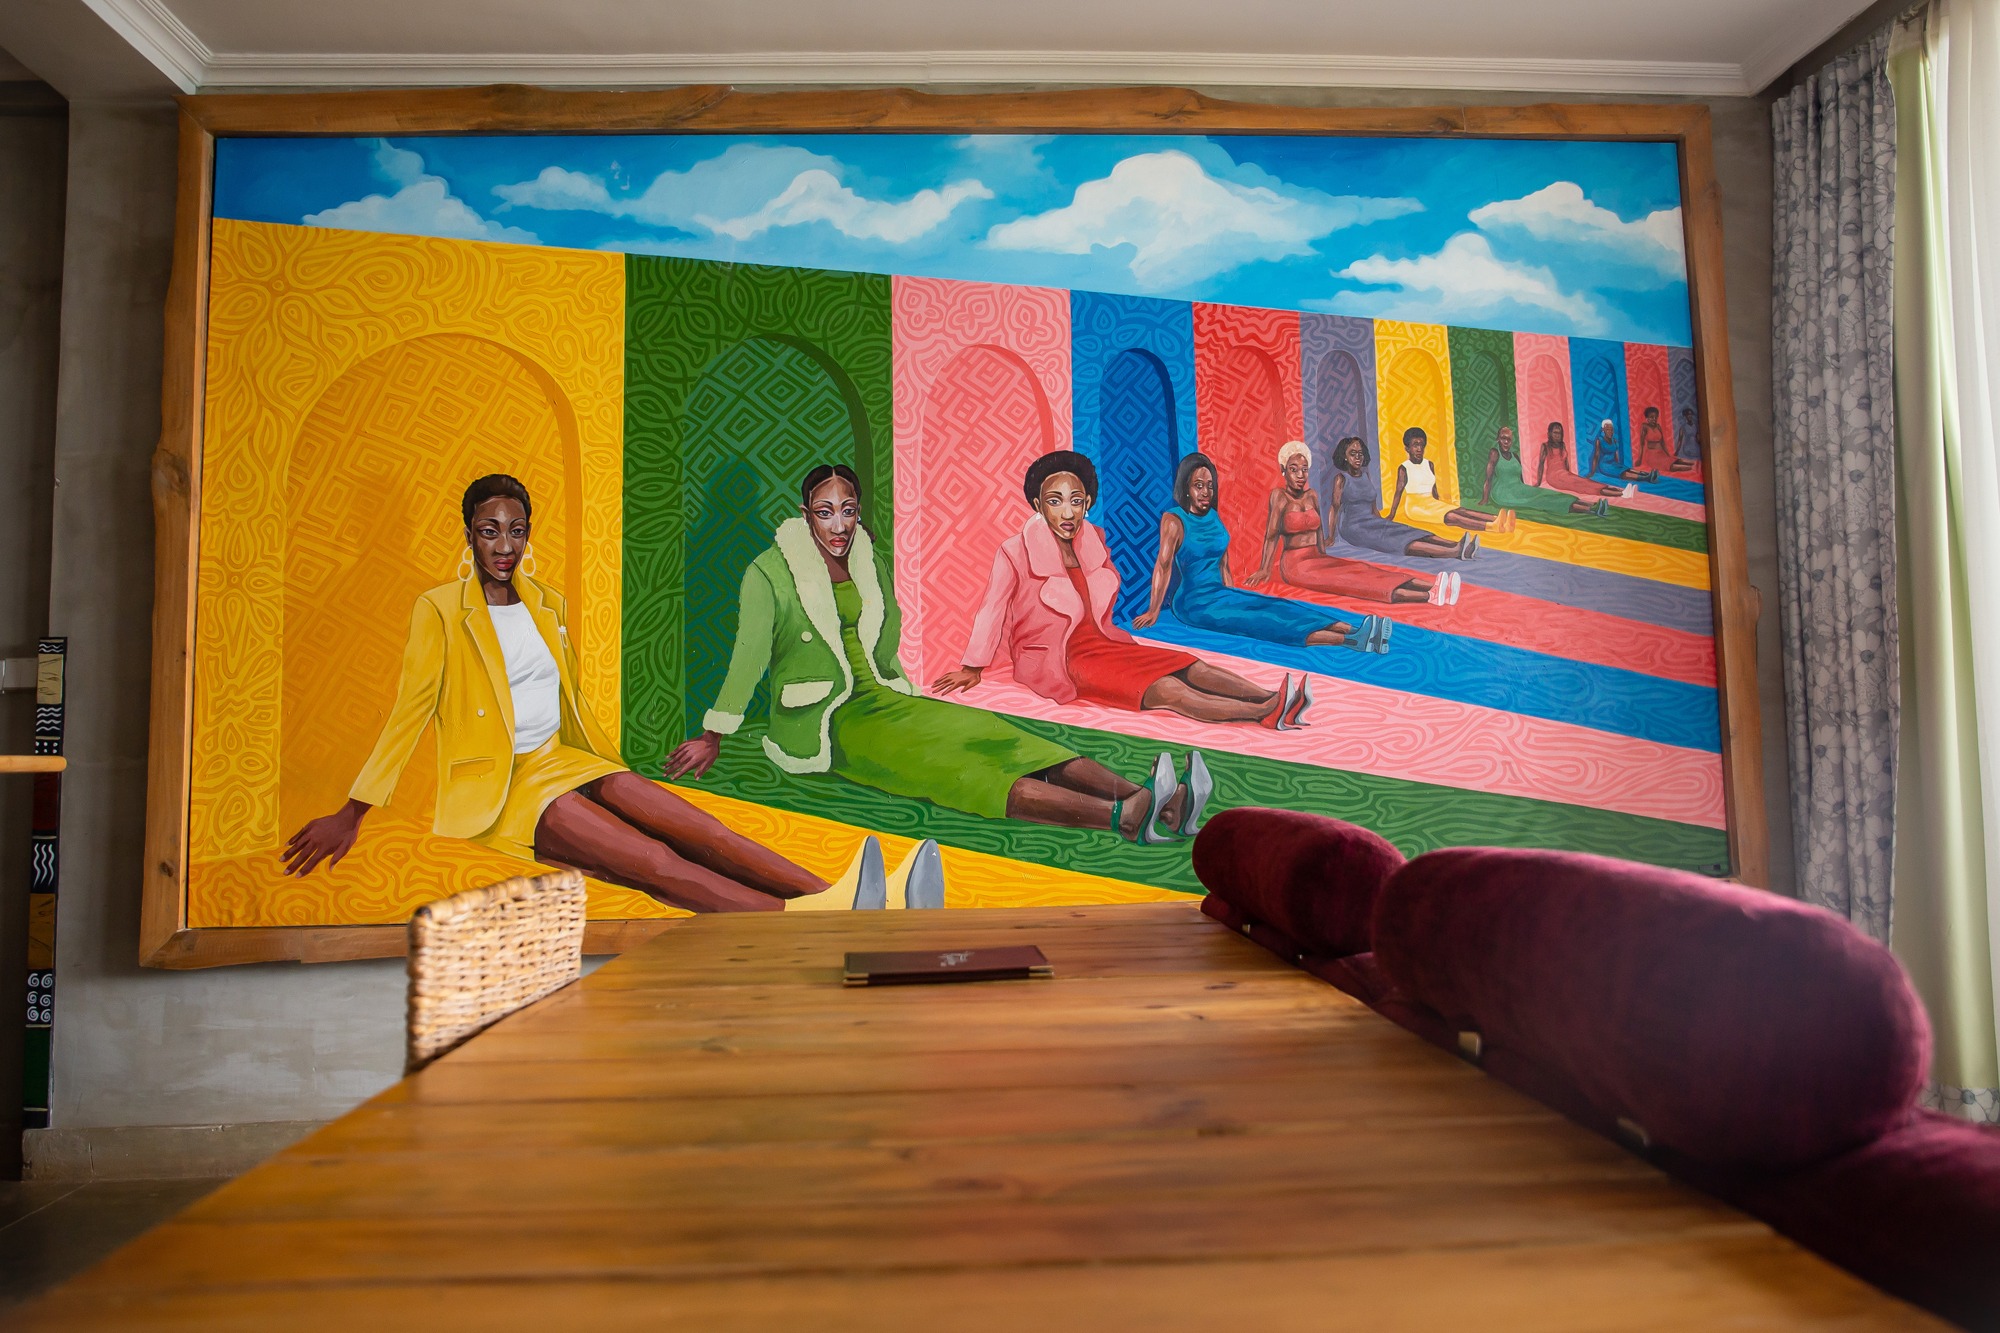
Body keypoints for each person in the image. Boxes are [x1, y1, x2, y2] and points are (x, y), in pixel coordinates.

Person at [281, 474, 830, 913]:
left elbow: (565, 698)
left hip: (566, 760)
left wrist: (600, 768)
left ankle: (835, 896)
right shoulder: (441, 610)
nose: (504, 545)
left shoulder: (546, 604)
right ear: (469, 533)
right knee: (655, 861)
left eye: (516, 530)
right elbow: (410, 712)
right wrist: (353, 812)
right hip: (505, 784)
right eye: (489, 529)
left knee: (705, 831)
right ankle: (809, 922)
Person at [667, 464, 1207, 844]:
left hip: (885, 695)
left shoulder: (865, 559)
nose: (838, 525)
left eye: (848, 510)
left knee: (999, 737)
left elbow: (885, 633)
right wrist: (714, 734)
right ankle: (1123, 817)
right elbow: (748, 655)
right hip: (828, 715)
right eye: (825, 512)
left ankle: (1151, 797)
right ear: (805, 512)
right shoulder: (768, 572)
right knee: (954, 769)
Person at [935, 450, 1307, 731]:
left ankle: (1274, 697)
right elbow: (991, 608)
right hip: (1060, 658)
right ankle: (1264, 714)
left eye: (1076, 501)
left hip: (1102, 643)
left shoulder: (1092, 541)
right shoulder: (1014, 551)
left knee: (1189, 665)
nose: (1067, 512)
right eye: (1055, 501)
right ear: (1037, 505)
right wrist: (973, 667)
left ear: (1087, 504)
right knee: (1165, 691)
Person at [1133, 453, 1390, 660]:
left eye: (1210, 486)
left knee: (1279, 606)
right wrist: (1153, 611)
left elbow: (1222, 561)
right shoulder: (1174, 520)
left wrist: (1234, 595)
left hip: (1222, 594)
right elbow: (1163, 566)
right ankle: (1353, 641)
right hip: (1194, 604)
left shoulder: (1212, 515)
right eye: (1198, 486)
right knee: (1266, 621)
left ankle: (1356, 629)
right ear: (1186, 488)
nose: (1205, 492)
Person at [1246, 441, 1455, 606]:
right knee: (1355, 582)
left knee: (1361, 569)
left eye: (1304, 469)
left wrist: (1323, 552)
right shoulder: (1279, 496)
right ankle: (1430, 597)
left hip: (1317, 558)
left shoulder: (1311, 496)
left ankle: (1434, 585)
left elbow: (1317, 530)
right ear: (1284, 470)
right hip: (1296, 567)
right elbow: (1271, 534)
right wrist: (1265, 568)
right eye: (1294, 469)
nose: (1301, 475)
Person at [1329, 436, 1477, 560]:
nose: (1357, 457)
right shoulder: (1341, 479)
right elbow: (1334, 508)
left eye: (1360, 454)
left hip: (1372, 521)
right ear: (1345, 457)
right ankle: (1455, 553)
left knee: (1406, 530)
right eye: (1352, 453)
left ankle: (1455, 544)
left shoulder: (1366, 477)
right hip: (1354, 528)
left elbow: (1373, 506)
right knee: (1394, 540)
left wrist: (1382, 522)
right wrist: (1331, 536)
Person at [1387, 427, 1502, 534]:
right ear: (1407, 448)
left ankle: (1495, 518)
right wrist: (1392, 515)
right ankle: (1491, 526)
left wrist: (1439, 502)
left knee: (1460, 510)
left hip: (1431, 502)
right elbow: (1398, 492)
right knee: (1451, 516)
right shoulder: (1404, 468)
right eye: (1415, 445)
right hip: (1416, 507)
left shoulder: (1429, 464)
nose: (1419, 449)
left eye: (1422, 445)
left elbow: (1434, 488)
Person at [1481, 425, 1609, 519]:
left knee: (1545, 492)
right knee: (1540, 501)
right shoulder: (1494, 453)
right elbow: (1488, 478)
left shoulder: (1515, 456)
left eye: (1509, 439)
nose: (1506, 442)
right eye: (1503, 438)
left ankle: (1591, 504)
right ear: (1498, 439)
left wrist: (1528, 490)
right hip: (1504, 493)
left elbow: (1519, 478)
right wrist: (1485, 500)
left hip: (1519, 489)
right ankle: (1591, 510)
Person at [1532, 422, 1620, 514]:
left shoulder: (1562, 446)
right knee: (1580, 485)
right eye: (1555, 433)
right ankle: (1618, 494)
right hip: (1554, 477)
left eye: (1560, 433)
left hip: (1564, 474)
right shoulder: (1545, 446)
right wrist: (1538, 483)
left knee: (1583, 481)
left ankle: (1619, 492)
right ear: (1549, 433)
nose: (1558, 436)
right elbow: (1541, 465)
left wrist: (1569, 475)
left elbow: (1566, 464)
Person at [1586, 418, 1660, 485]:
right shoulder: (1600, 440)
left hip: (1614, 464)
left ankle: (1648, 474)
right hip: (1605, 466)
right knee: (1624, 474)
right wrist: (1592, 472)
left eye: (1611, 430)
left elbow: (1616, 454)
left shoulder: (1614, 441)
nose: (1610, 432)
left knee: (1628, 469)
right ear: (1603, 431)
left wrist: (1619, 466)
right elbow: (1596, 456)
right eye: (1608, 430)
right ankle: (1648, 478)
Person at [1635, 406, 1676, 474]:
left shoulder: (1658, 427)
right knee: (1672, 466)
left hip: (1661, 454)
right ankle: (1693, 467)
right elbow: (1642, 444)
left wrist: (1668, 455)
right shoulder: (1644, 426)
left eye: (1656, 417)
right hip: (1652, 456)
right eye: (1651, 417)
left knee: (1674, 461)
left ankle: (1693, 464)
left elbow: (1662, 443)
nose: (1654, 419)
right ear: (1647, 418)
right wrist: (1639, 459)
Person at [1673, 406, 1701, 472]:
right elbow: (1680, 440)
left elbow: (1698, 437)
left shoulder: (1695, 426)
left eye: (1690, 414)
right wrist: (1677, 451)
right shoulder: (1683, 427)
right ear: (1685, 416)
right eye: (1688, 414)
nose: (1689, 416)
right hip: (1688, 448)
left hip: (1696, 447)